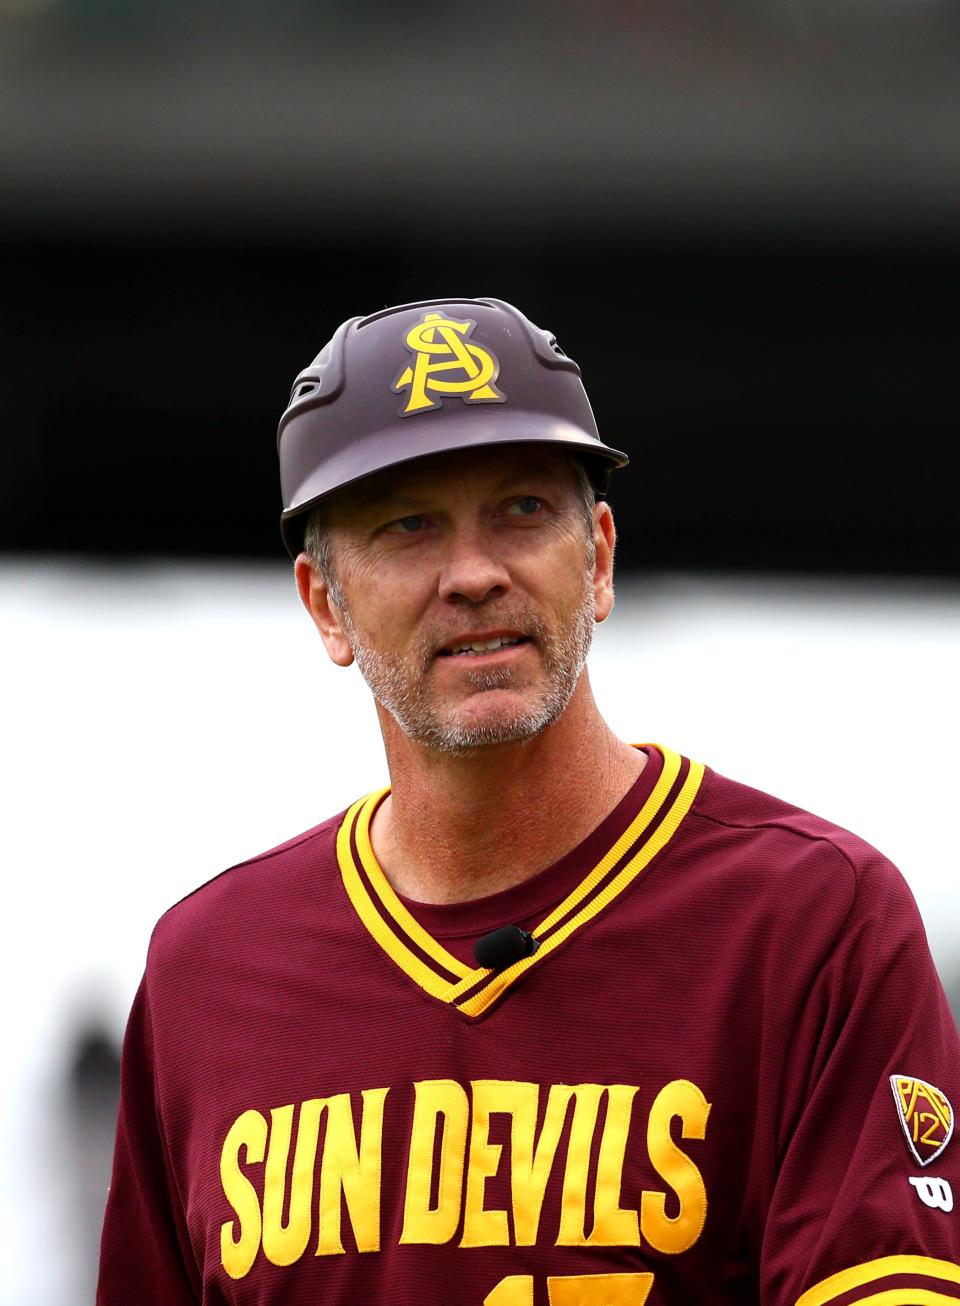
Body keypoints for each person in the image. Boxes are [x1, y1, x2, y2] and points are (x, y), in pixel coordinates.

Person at [98, 298, 960, 1305]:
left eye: (521, 509)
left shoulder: (813, 921)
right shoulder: (208, 973)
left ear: (596, 558)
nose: (474, 574)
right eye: (409, 526)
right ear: (325, 604)